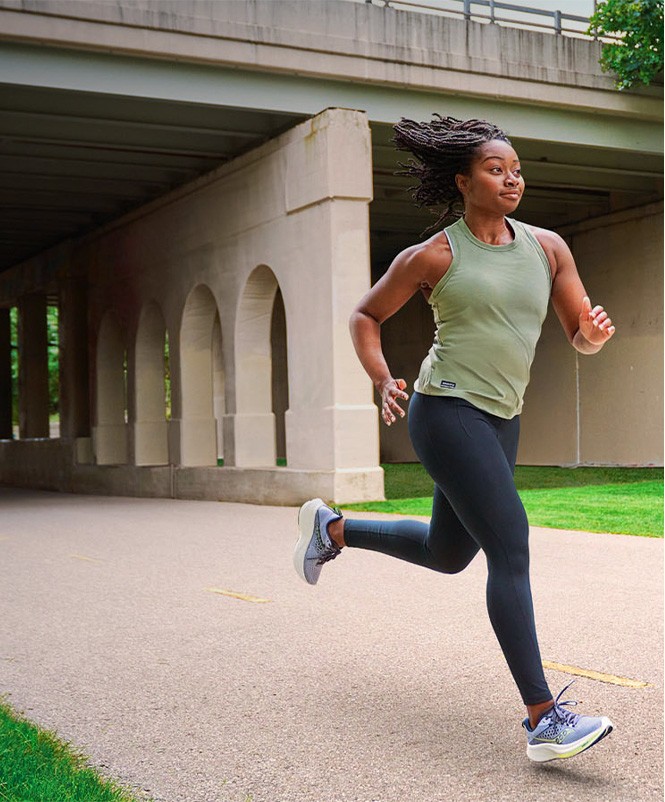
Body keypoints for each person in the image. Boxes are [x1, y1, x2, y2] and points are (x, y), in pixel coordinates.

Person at [293, 115, 615, 763]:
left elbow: (576, 330)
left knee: (448, 553)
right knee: (510, 544)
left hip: (501, 416)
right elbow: (364, 314)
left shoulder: (547, 248)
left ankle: (331, 530)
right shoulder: (434, 255)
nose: (510, 178)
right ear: (463, 181)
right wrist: (382, 377)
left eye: (516, 169)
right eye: (496, 169)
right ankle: (542, 718)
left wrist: (592, 336)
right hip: (444, 413)